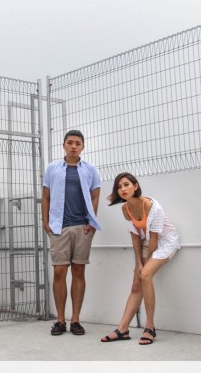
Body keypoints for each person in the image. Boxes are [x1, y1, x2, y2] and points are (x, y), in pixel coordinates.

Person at [100, 172, 179, 345]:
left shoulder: (151, 206)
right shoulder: (125, 209)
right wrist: (138, 262)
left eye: (126, 184)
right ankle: (122, 329)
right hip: (146, 242)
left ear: (135, 186)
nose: (123, 189)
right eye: (119, 187)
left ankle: (150, 327)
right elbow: (135, 235)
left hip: (165, 241)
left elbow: (155, 238)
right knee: (136, 284)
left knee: (145, 274)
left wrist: (145, 264)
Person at [42, 130, 101, 336]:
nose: (74, 146)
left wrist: (92, 222)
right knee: (59, 271)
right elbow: (46, 197)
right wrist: (45, 222)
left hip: (82, 227)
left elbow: (95, 196)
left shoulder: (90, 169)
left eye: (78, 143)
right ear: (64, 145)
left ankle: (75, 320)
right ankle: (60, 320)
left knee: (78, 271)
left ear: (83, 146)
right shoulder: (52, 168)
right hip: (58, 226)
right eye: (70, 142)